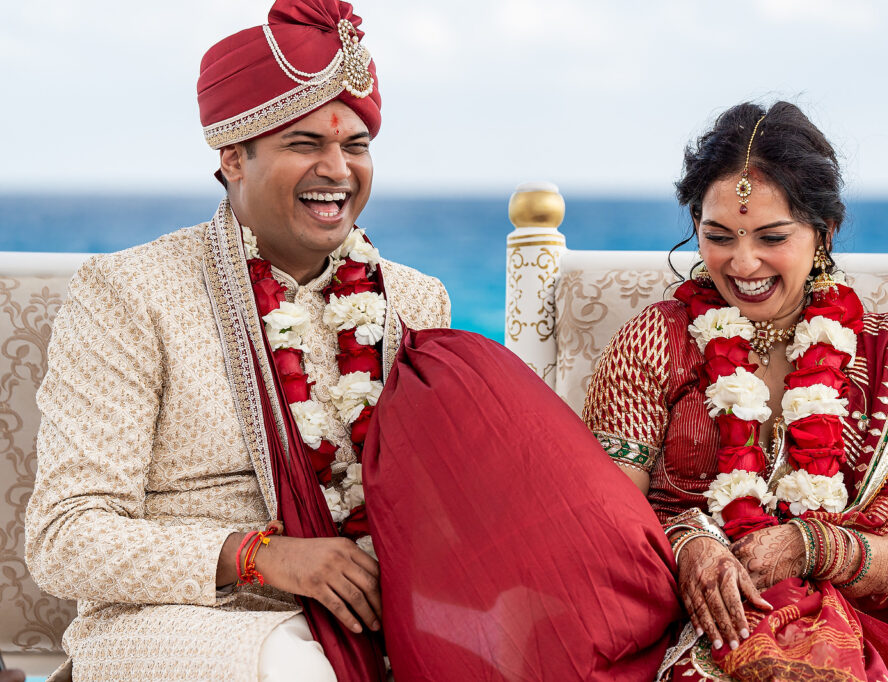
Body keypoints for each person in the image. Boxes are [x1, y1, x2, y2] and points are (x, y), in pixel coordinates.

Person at [25, 1, 683, 680]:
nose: (337, 169)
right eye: (304, 144)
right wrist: (263, 556)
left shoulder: (413, 300)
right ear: (233, 157)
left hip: (369, 616)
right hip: (181, 622)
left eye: (356, 146)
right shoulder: (131, 292)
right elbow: (64, 538)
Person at [583, 101, 888, 680]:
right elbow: (606, 518)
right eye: (718, 236)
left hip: (848, 632)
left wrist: (804, 546)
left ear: (824, 232)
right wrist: (690, 545)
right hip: (669, 612)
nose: (743, 263)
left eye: (772, 237)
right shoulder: (656, 340)